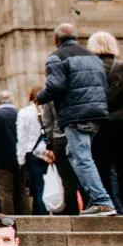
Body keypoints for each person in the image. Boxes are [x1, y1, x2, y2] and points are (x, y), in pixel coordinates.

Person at [39, 23, 116, 216]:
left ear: (56, 40)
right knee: (75, 154)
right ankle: (95, 197)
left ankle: (102, 201)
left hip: (75, 115)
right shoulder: (92, 57)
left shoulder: (56, 57)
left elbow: (55, 86)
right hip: (97, 113)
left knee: (81, 158)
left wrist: (39, 98)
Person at [89, 31, 123, 211]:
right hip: (121, 122)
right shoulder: (121, 66)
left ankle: (110, 205)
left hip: (100, 123)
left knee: (101, 165)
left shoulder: (91, 68)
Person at [0, 90, 33, 215]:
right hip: (20, 159)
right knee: (22, 191)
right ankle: (27, 219)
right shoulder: (19, 113)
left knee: (5, 192)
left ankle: (9, 222)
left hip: (0, 160)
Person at [17, 87, 51, 214]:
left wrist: (20, 159)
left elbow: (22, 137)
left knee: (37, 186)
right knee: (52, 182)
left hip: (33, 153)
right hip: (49, 152)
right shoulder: (49, 109)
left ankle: (43, 213)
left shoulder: (24, 113)